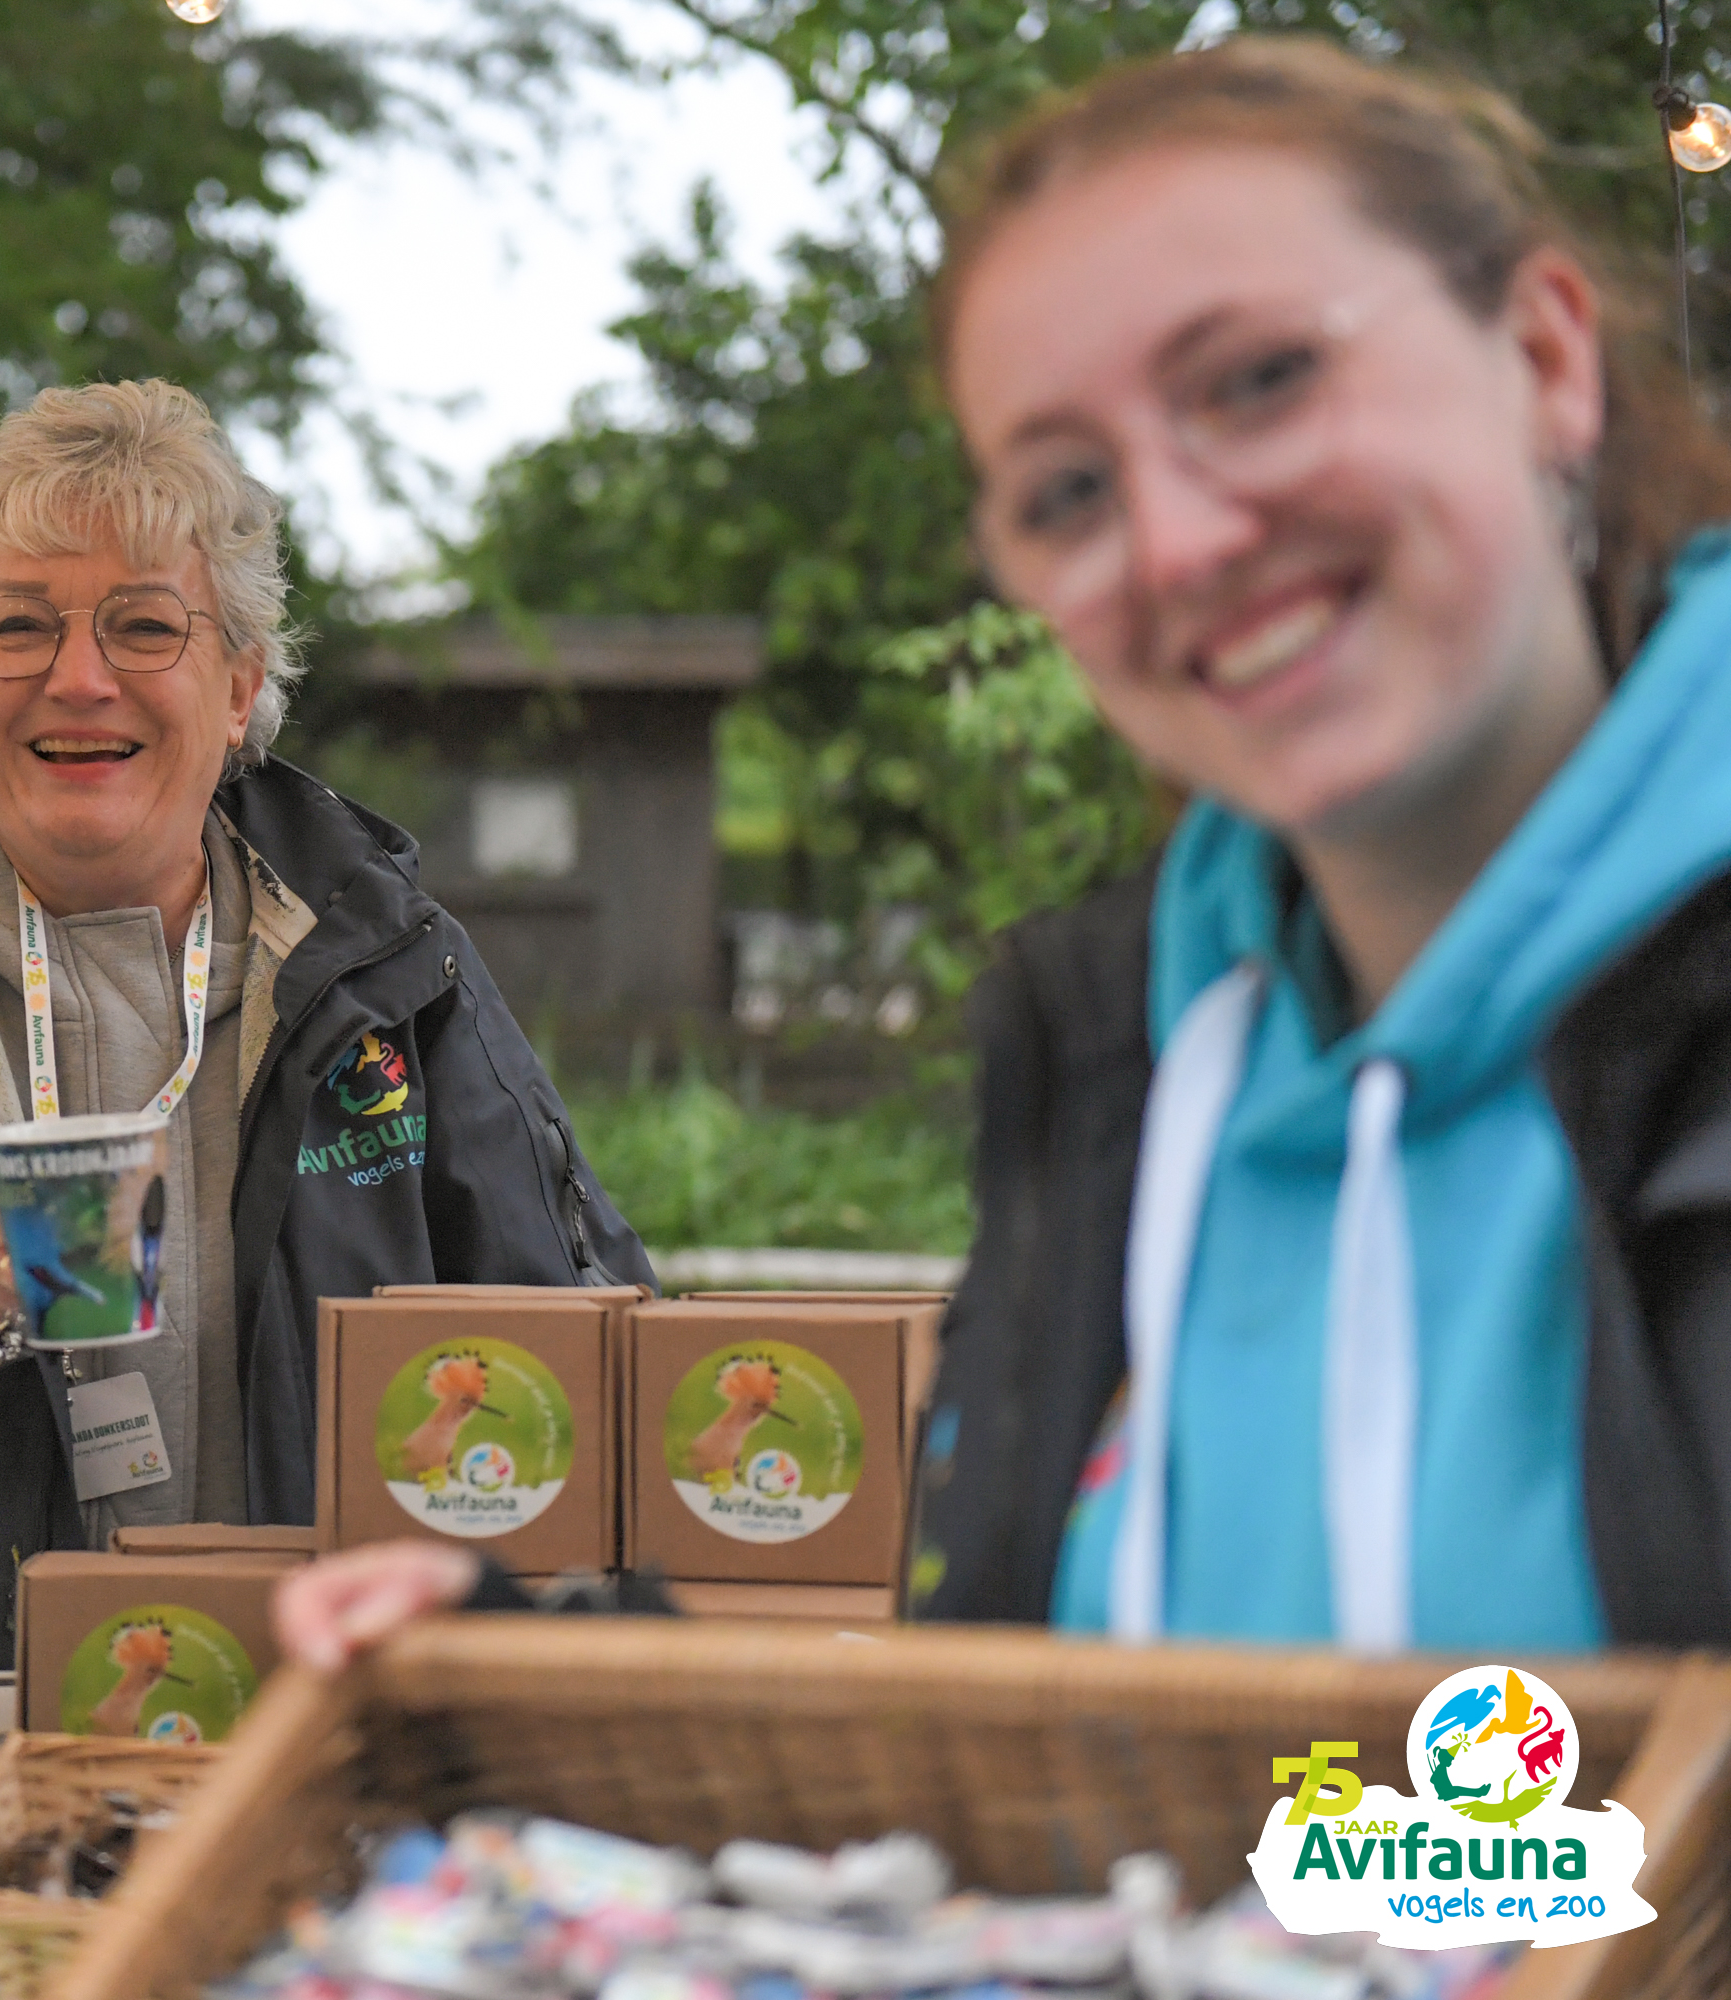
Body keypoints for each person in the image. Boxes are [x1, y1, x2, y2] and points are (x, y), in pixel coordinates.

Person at [279, 36, 1731, 1667]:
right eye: (1066, 491)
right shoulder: (1138, 1045)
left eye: (1260, 381)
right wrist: (526, 1684)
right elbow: (1001, 1720)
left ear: (1544, 356)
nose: (1178, 542)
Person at [0, 380, 653, 1677]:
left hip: (324, 1719)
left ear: (239, 688)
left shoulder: (391, 963)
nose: (79, 680)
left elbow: (581, 1336)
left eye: (143, 626)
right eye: (19, 627)